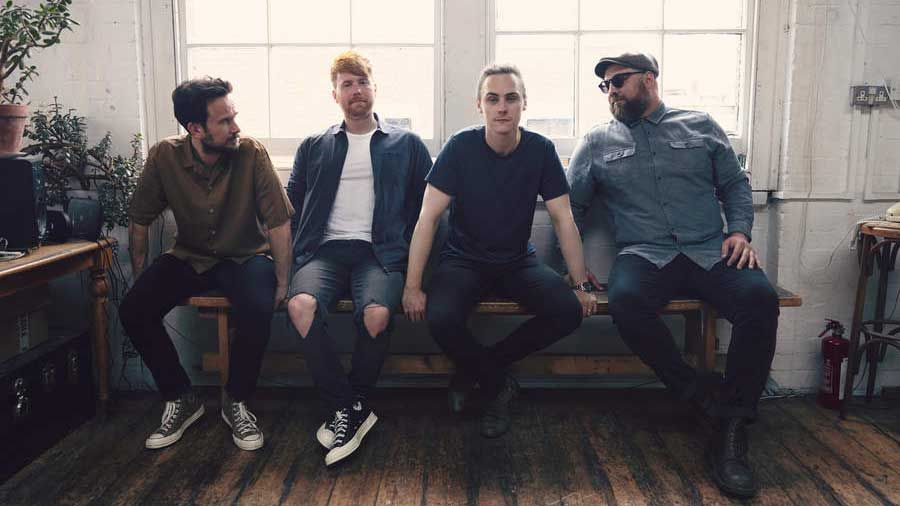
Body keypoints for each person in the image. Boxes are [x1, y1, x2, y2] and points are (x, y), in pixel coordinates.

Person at [567, 52, 779, 498]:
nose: (611, 91)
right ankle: (699, 393)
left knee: (760, 298)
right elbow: (572, 209)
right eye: (604, 85)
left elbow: (736, 186)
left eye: (618, 81)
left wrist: (740, 231)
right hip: (645, 254)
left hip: (709, 249)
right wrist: (576, 265)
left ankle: (734, 426)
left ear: (649, 79)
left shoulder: (699, 125)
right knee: (625, 302)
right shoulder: (596, 142)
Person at [403, 64, 596, 439]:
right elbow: (427, 218)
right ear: (480, 105)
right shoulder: (460, 147)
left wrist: (579, 282)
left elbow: (563, 219)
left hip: (516, 261)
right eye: (493, 99)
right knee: (440, 317)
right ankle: (497, 386)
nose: (502, 107)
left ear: (524, 104)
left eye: (511, 98)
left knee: (568, 311)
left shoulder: (541, 149)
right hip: (463, 261)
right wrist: (412, 285)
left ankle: (478, 371)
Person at [120, 77, 294, 451]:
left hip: (246, 256)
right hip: (191, 256)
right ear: (195, 128)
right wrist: (140, 276)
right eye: (225, 122)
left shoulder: (251, 153)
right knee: (134, 309)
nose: (236, 128)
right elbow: (139, 217)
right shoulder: (164, 156)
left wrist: (282, 281)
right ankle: (181, 397)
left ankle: (237, 401)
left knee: (258, 308)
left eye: (234, 117)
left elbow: (278, 220)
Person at [285, 51, 432, 466]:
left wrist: (418, 277)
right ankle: (351, 407)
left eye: (362, 82)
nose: (356, 91)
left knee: (377, 314)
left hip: (380, 253)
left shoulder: (407, 144)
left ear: (374, 88)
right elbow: (291, 207)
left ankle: (346, 409)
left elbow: (429, 211)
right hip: (325, 251)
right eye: (347, 84)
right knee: (300, 305)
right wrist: (294, 259)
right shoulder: (314, 146)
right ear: (335, 95)